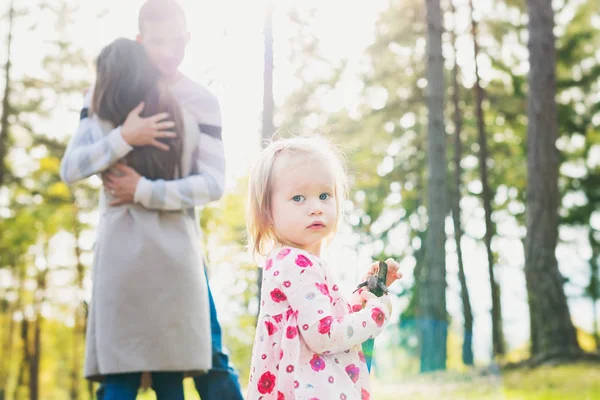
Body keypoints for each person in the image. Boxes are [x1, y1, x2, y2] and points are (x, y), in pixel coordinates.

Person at [78, 1, 245, 398]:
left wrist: (144, 191)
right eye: (157, 43)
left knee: (210, 357)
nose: (169, 52)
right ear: (139, 42)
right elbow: (75, 164)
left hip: (178, 251)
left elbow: (213, 183)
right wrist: (122, 138)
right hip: (123, 253)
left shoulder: (201, 101)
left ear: (189, 38)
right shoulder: (107, 94)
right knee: (121, 371)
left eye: (177, 41)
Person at [61, 37, 212, 399]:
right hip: (177, 255)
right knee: (170, 378)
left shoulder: (102, 121)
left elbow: (70, 168)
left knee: (121, 376)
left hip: (122, 257)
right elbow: (206, 184)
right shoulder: (181, 114)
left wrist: (120, 138)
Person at [245, 136, 402, 399]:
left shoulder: (291, 260)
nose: (316, 208)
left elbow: (322, 318)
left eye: (324, 195)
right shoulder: (296, 264)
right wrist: (376, 315)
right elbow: (324, 335)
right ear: (267, 212)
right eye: (298, 198)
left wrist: (364, 294)